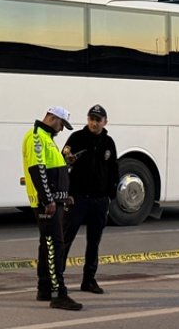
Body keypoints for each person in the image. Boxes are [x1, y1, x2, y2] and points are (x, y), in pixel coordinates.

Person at [22, 106, 82, 311]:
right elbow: (38, 171)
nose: (62, 130)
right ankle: (59, 295)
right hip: (45, 205)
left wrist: (64, 196)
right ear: (52, 118)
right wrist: (48, 200)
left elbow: (53, 173)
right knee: (54, 246)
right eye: (61, 124)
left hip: (52, 202)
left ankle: (45, 288)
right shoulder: (37, 137)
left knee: (47, 245)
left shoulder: (47, 138)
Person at [62, 104, 119, 295]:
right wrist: (66, 193)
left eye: (98, 120)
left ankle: (89, 280)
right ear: (87, 120)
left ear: (105, 122)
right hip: (77, 198)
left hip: (99, 201)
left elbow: (113, 170)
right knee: (65, 239)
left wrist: (110, 196)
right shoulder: (77, 138)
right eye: (91, 119)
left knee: (94, 242)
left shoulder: (108, 143)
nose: (94, 123)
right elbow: (63, 164)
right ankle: (57, 280)